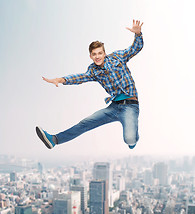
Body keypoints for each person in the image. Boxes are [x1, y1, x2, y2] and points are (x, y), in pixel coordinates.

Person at [36, 19, 144, 150]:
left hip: (130, 106)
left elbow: (135, 49)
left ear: (104, 53)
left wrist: (138, 34)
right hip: (114, 107)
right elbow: (80, 77)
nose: (97, 57)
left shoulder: (117, 57)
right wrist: (60, 79)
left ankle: (133, 138)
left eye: (100, 53)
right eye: (94, 54)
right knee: (85, 123)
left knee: (130, 139)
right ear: (91, 56)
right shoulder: (93, 70)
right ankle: (54, 139)